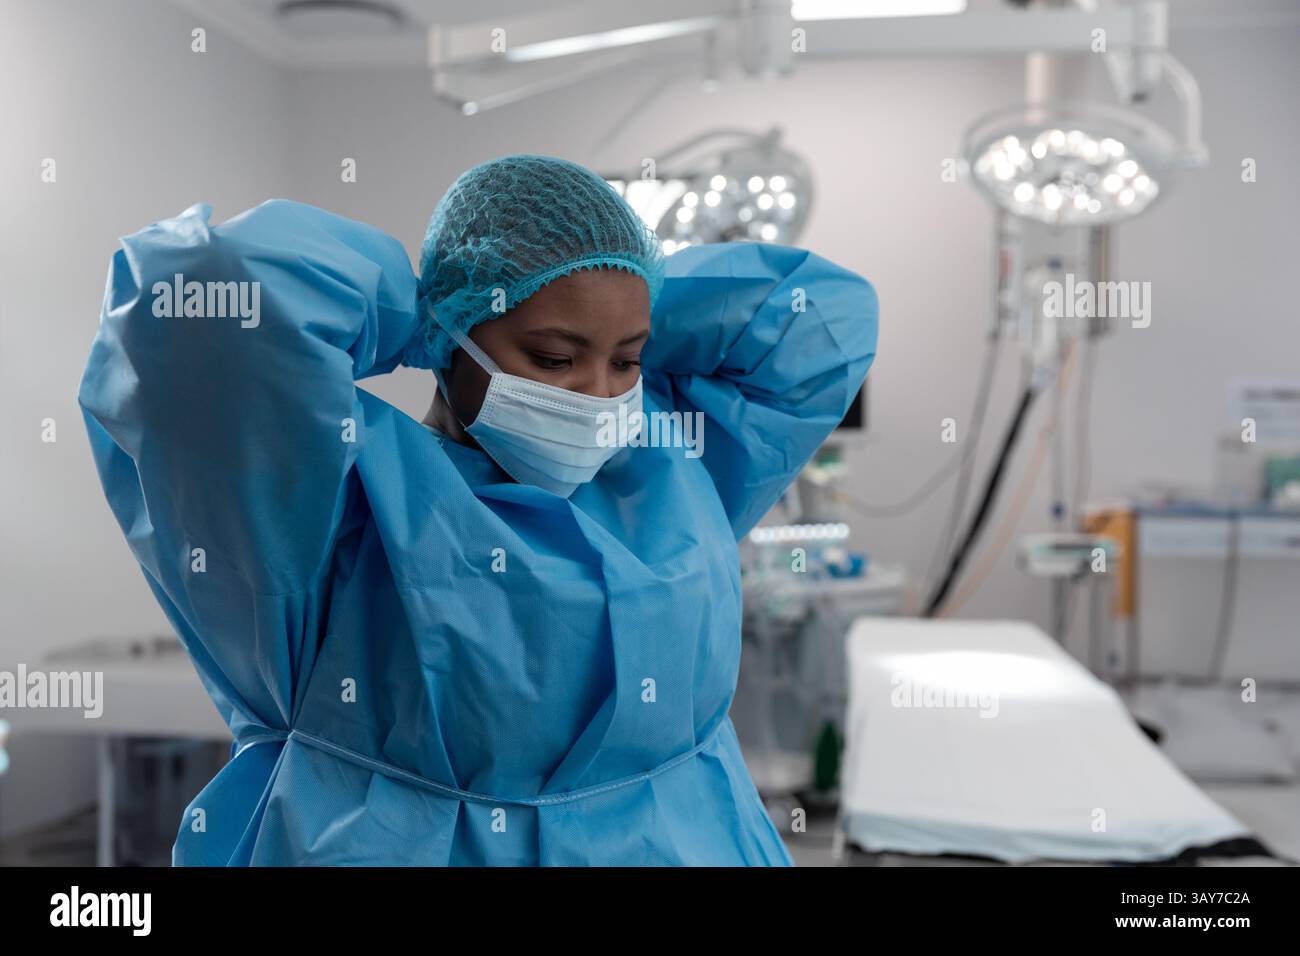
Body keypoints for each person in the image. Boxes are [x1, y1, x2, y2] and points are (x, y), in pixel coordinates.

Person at [79, 155, 878, 865]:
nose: (601, 395)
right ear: (453, 336)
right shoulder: (340, 503)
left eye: (629, 360)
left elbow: (824, 320)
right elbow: (201, 294)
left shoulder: (666, 464)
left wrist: (623, 288)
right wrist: (419, 310)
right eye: (554, 357)